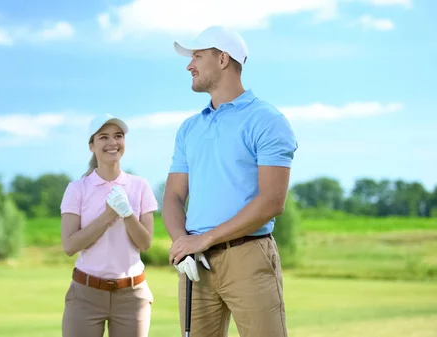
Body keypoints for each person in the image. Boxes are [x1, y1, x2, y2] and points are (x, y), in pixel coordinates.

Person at [162, 26, 298, 337]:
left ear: (223, 59)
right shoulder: (189, 128)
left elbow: (272, 201)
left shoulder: (266, 120)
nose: (189, 65)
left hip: (248, 257)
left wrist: (202, 239)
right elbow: (172, 196)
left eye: (197, 55)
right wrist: (182, 243)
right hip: (196, 263)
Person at [60, 113, 158, 337]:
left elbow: (145, 243)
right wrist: (107, 216)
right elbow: (69, 246)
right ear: (91, 146)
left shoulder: (140, 186)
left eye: (118, 136)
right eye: (103, 137)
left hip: (132, 296)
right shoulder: (77, 189)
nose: (112, 142)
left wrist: (126, 213)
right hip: (85, 294)